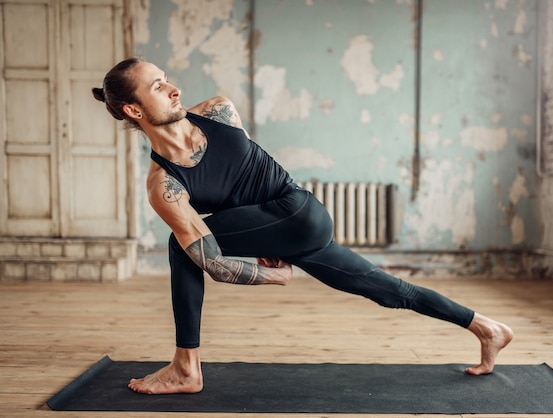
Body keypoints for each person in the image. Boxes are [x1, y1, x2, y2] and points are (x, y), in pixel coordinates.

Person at [92, 57, 513, 395]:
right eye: (157, 86)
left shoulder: (218, 110)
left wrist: (273, 270)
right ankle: (487, 328)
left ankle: (186, 368)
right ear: (133, 109)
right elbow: (214, 263)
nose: (174, 88)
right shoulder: (163, 184)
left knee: (176, 245)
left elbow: (248, 184)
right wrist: (267, 256)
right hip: (286, 230)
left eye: (166, 79)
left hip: (298, 212)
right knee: (387, 290)